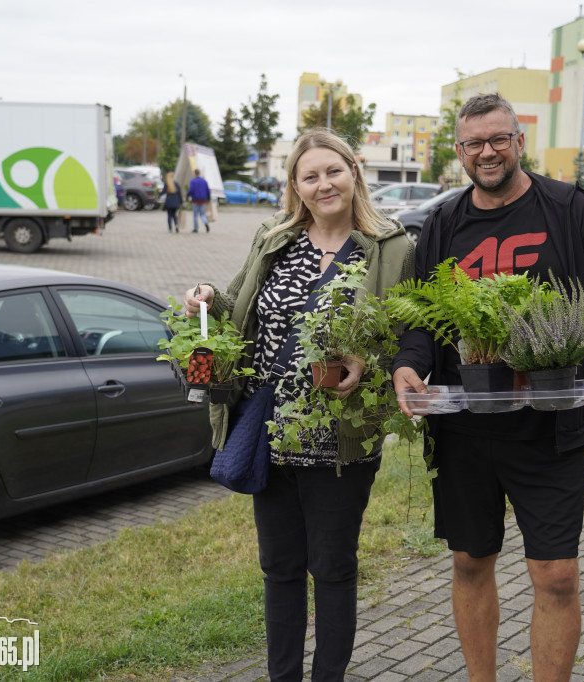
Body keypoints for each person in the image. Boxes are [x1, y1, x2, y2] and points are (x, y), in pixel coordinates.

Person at [392, 93, 584, 682]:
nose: (487, 152)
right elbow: (419, 325)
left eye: (498, 139)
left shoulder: (569, 210)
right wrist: (408, 366)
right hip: (465, 425)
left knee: (557, 575)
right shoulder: (443, 222)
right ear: (460, 151)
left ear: (519, 141)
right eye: (474, 143)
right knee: (468, 561)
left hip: (551, 423)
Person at [182, 129, 414, 682]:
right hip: (271, 430)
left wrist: (367, 364)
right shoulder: (274, 237)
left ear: (353, 172)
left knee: (332, 568)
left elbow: (408, 337)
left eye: (332, 171)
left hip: (339, 436)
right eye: (309, 175)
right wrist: (208, 297)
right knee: (279, 569)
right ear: (295, 185)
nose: (323, 183)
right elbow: (239, 300)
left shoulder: (390, 247)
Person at [186, 168, 211, 233]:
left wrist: (187, 195)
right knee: (202, 214)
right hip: (203, 200)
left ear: (194, 174)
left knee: (195, 215)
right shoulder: (204, 181)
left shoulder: (193, 181)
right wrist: (208, 198)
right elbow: (208, 190)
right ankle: (205, 223)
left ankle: (196, 229)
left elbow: (191, 190)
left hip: (195, 200)